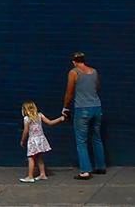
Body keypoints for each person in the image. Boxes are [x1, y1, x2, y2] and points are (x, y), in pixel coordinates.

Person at [62, 51, 106, 179]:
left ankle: (85, 171)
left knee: (81, 141)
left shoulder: (74, 72)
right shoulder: (94, 71)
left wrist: (65, 107)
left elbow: (69, 92)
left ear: (74, 61)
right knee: (97, 137)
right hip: (97, 107)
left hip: (82, 108)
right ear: (84, 60)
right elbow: (97, 87)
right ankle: (101, 166)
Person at [18, 101, 66, 182]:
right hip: (41, 139)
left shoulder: (26, 119)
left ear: (25, 110)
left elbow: (25, 131)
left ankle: (30, 176)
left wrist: (22, 140)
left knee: (31, 158)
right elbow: (50, 123)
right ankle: (42, 174)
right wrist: (60, 119)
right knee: (39, 157)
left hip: (33, 141)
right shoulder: (40, 115)